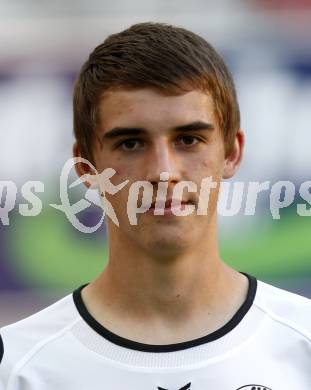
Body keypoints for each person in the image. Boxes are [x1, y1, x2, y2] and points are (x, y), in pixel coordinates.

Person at [0, 22, 310, 390]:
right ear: (86, 168)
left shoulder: (302, 343)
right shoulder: (17, 366)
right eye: (131, 143)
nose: (163, 172)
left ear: (232, 152)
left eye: (189, 139)